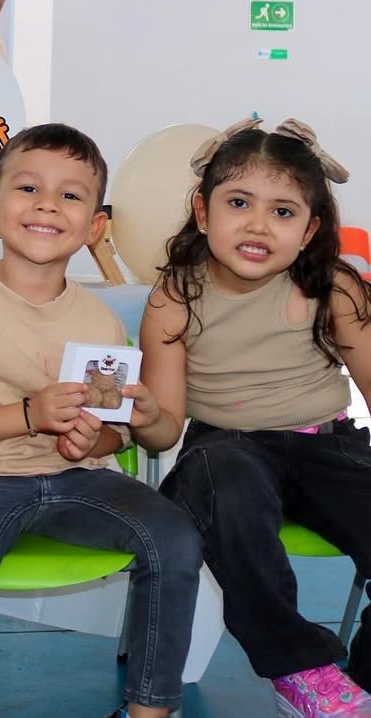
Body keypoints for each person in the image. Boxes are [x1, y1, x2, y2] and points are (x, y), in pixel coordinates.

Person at [0, 123, 203, 718]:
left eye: (70, 195)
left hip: (80, 480)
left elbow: (115, 429)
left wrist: (99, 437)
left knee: (175, 539)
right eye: (28, 188)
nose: (47, 204)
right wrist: (30, 414)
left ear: (95, 226)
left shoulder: (99, 319)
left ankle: (149, 709)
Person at [141, 116, 371, 718]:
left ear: (310, 229)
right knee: (228, 480)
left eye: (283, 211)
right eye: (239, 202)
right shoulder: (177, 294)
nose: (258, 225)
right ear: (202, 211)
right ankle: (300, 670)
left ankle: (355, 687)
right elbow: (164, 430)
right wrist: (143, 414)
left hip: (328, 446)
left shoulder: (336, 287)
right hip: (225, 450)